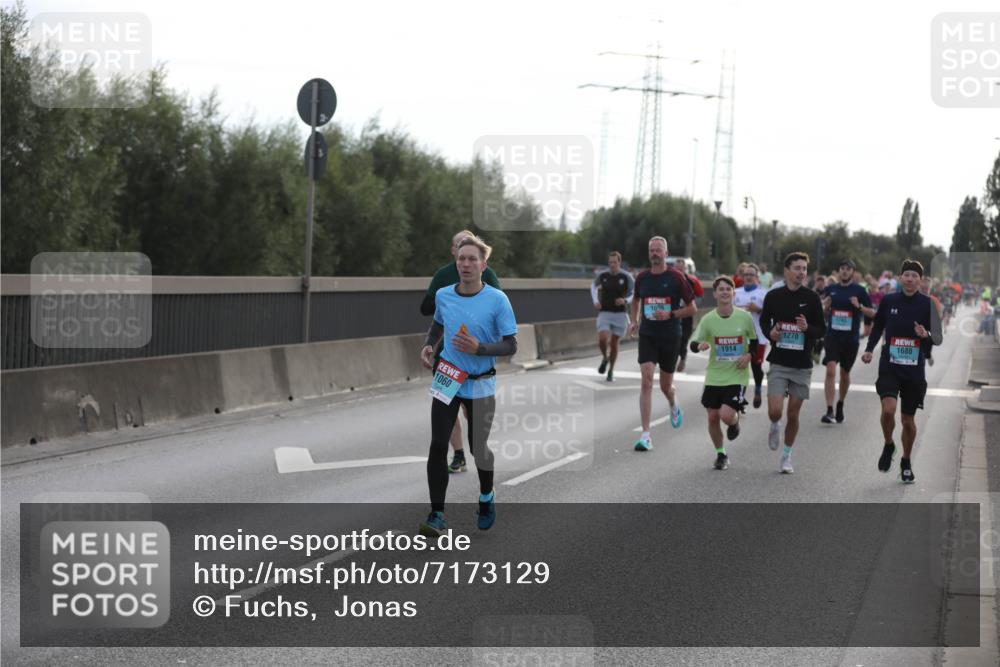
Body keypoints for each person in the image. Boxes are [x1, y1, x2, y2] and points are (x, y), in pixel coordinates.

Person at [418, 235, 517, 536]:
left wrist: (479, 349)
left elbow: (511, 344)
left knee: (478, 448)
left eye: (472, 259)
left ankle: (486, 496)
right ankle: (437, 514)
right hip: (448, 374)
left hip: (481, 381)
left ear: (483, 265)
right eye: (461, 258)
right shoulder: (444, 295)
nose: (466, 264)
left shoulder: (497, 300)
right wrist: (429, 344)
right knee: (438, 444)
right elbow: (438, 323)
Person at [420, 229, 503, 473]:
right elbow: (427, 309)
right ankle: (458, 454)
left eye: (470, 253)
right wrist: (448, 302)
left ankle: (477, 453)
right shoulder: (443, 277)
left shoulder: (488, 276)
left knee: (470, 414)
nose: (465, 260)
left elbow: (496, 306)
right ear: (453, 252)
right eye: (459, 247)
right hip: (447, 360)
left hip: (475, 361)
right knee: (446, 411)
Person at [862, 260, 942, 483]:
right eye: (906, 275)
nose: (910, 279)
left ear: (920, 280)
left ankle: (906, 460)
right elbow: (878, 326)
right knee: (888, 410)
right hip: (890, 365)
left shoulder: (928, 304)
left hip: (914, 370)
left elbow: (938, 337)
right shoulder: (889, 301)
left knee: (908, 420)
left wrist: (925, 334)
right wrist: (869, 349)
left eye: (914, 276)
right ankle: (889, 444)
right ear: (900, 278)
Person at [759, 252, 826, 473]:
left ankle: (786, 456)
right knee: (775, 411)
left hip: (802, 365)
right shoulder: (774, 296)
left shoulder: (812, 298)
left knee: (793, 414)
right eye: (797, 268)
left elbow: (821, 330)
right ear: (787, 270)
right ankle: (774, 424)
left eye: (804, 269)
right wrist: (771, 333)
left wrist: (808, 328)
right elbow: (764, 321)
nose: (801, 272)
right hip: (779, 361)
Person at [628, 236, 697, 451]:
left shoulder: (676, 277)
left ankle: (672, 401)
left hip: (670, 336)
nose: (655, 253)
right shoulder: (642, 278)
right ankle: (646, 435)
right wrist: (634, 321)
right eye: (652, 250)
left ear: (666, 254)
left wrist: (671, 314)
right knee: (646, 381)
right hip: (648, 335)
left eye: (658, 250)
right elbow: (636, 299)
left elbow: (692, 308)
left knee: (665, 386)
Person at [690, 276, 757, 470]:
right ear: (715, 294)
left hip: (737, 375)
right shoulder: (708, 319)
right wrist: (699, 346)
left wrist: (748, 356)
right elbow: (694, 342)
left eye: (728, 289)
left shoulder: (744, 317)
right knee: (712, 416)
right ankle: (721, 454)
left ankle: (734, 423)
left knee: (726, 415)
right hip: (714, 375)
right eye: (721, 289)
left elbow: (754, 342)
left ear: (734, 293)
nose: (725, 292)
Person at [819, 260, 875, 424]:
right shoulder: (831, 289)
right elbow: (822, 313)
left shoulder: (859, 290)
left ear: (852, 272)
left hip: (851, 339)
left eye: (848, 269)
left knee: (844, 373)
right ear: (838, 271)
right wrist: (825, 308)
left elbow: (872, 313)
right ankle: (829, 410)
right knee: (830, 370)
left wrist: (859, 307)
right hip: (832, 337)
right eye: (842, 268)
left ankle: (840, 403)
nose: (844, 271)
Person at [592, 251, 635, 382]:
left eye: (614, 262)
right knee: (602, 339)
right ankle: (605, 357)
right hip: (605, 312)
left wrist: (625, 300)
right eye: (610, 262)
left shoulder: (626, 276)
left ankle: (611, 370)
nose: (612, 265)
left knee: (614, 343)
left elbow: (634, 293)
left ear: (619, 262)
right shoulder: (603, 275)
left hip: (620, 314)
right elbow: (593, 286)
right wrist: (595, 301)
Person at [733, 263, 768, 408]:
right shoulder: (735, 292)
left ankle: (758, 389)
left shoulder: (764, 294)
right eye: (746, 274)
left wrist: (758, 309)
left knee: (756, 366)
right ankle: (740, 398)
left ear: (756, 277)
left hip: (758, 337)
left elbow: (772, 315)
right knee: (740, 367)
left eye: (751, 275)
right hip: (739, 337)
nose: (748, 277)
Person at [672, 263, 704, 373]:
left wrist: (691, 304)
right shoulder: (669, 279)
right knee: (673, 338)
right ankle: (672, 359)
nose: (679, 271)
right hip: (673, 313)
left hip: (686, 314)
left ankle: (682, 358)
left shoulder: (692, 280)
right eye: (677, 269)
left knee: (684, 338)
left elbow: (700, 296)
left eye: (681, 269)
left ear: (685, 269)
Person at [919, 277, 944, 366]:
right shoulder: (915, 298)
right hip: (917, 326)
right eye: (922, 288)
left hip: (929, 327)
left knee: (927, 344)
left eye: (926, 288)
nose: (924, 290)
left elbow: (938, 316)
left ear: (930, 288)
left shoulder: (934, 300)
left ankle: (928, 355)